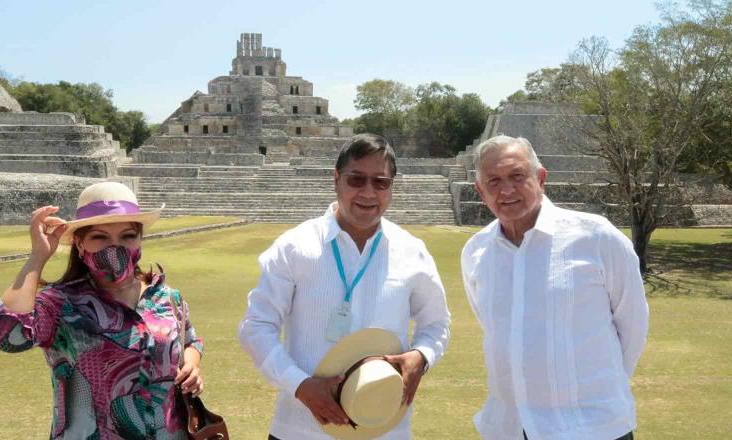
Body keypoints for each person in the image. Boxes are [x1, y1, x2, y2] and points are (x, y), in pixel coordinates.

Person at [239, 133, 451, 440]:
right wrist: (300, 385)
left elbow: (437, 324)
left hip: (385, 428)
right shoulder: (295, 247)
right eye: (356, 179)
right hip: (301, 430)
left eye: (380, 182)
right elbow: (256, 326)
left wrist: (421, 357)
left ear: (391, 187)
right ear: (336, 179)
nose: (368, 192)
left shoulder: (411, 250)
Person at [460, 135, 649, 440]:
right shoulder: (477, 251)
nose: (506, 190)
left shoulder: (596, 237)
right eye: (493, 181)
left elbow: (633, 326)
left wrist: (590, 392)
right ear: (480, 191)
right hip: (509, 427)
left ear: (541, 178)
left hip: (590, 427)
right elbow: (495, 327)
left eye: (517, 176)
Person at [0, 181, 204, 439]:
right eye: (100, 237)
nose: (115, 248)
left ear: (140, 239)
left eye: (127, 236)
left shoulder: (166, 297)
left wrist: (192, 364)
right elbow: (6, 335)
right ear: (79, 244)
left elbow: (191, 340)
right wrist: (38, 257)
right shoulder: (61, 304)